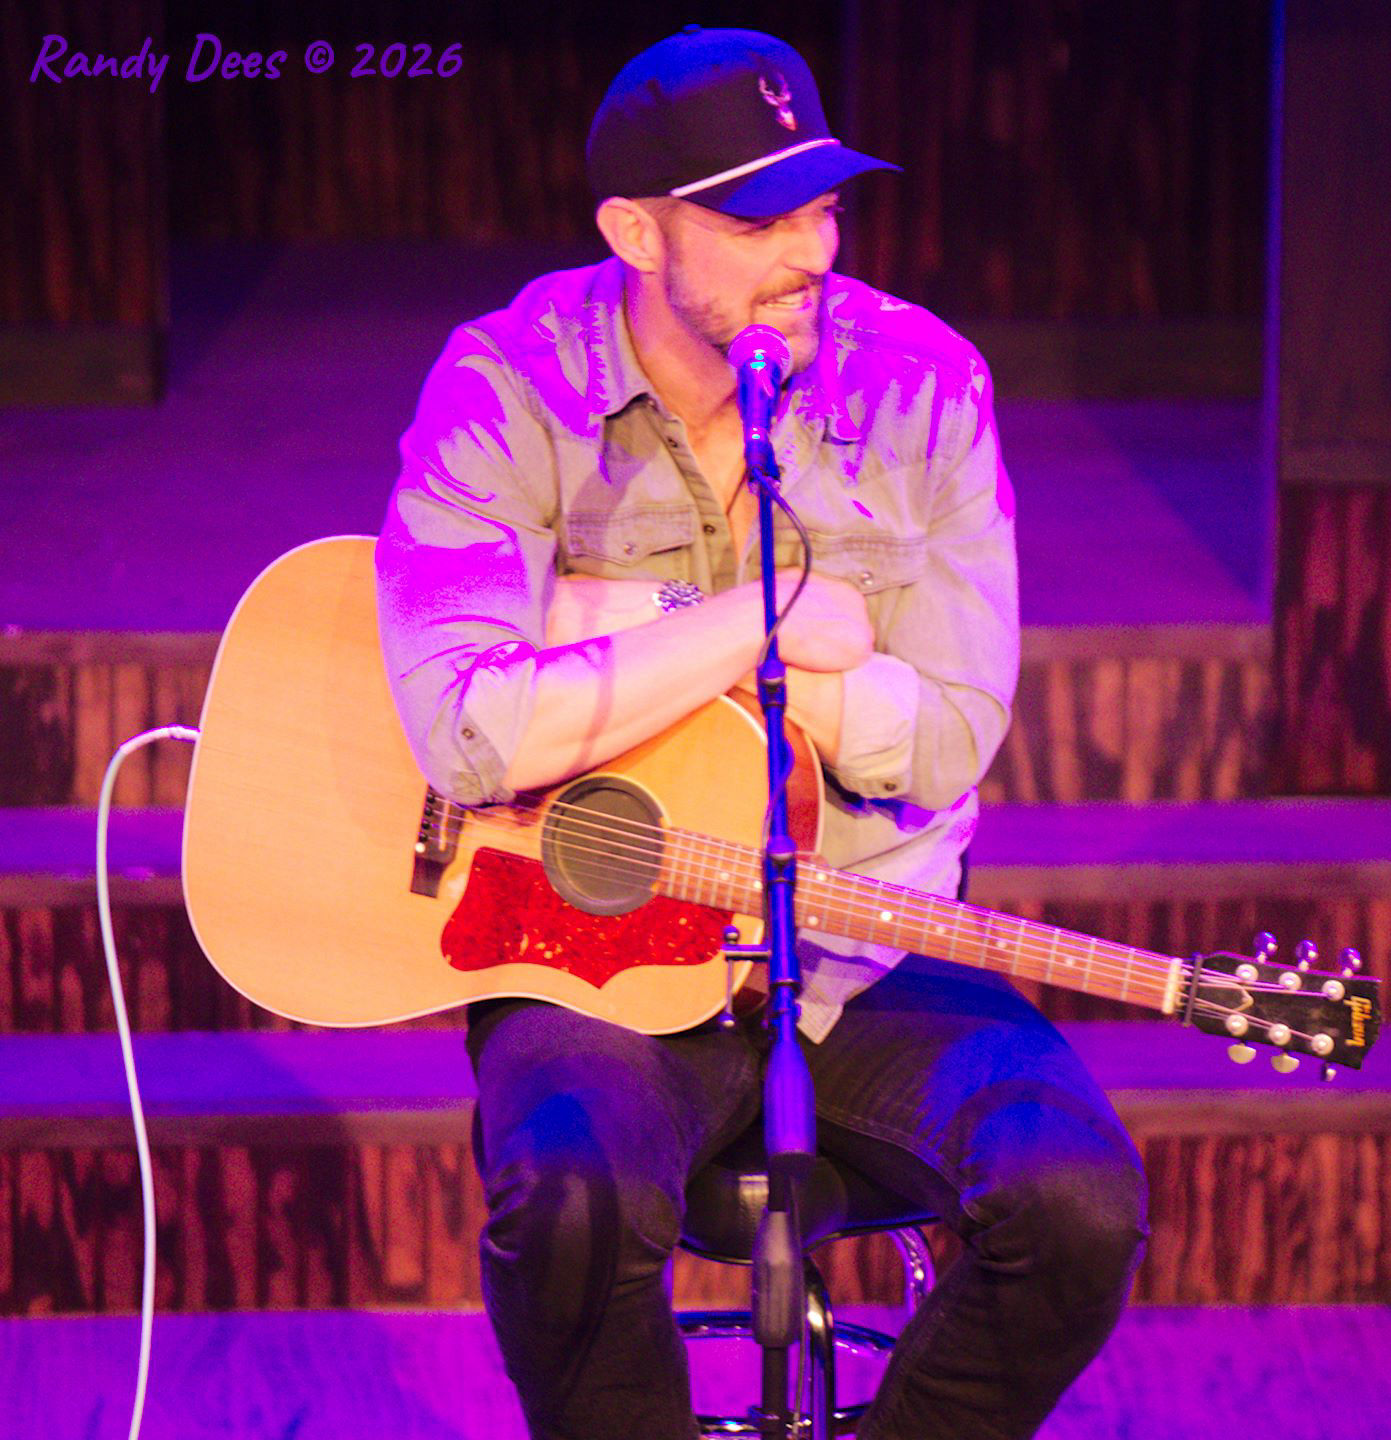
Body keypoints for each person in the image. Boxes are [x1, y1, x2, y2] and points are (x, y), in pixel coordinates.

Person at [375, 26, 1147, 1440]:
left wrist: (604, 632)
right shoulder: (507, 383)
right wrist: (758, 623)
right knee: (566, 1193)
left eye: (824, 205)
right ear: (634, 229)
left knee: (1079, 1199)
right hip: (594, 954)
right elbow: (472, 732)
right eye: (756, 217)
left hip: (864, 957)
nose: (813, 251)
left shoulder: (926, 385)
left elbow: (952, 733)